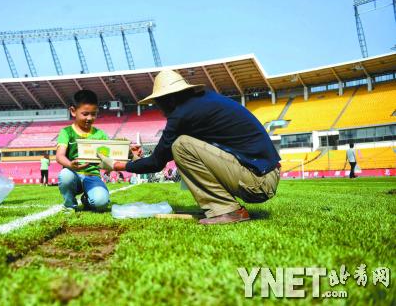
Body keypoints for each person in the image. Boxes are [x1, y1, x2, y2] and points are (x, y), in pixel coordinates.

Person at [98, 70, 281, 225]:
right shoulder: (202, 103)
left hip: (258, 182)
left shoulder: (183, 114)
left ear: (167, 100)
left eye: (157, 103)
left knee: (181, 145)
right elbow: (164, 157)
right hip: (262, 175)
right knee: (182, 146)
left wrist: (116, 165)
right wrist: (136, 160)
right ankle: (223, 206)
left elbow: (157, 163)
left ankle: (227, 210)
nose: (159, 109)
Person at [56, 90, 110, 211]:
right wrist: (70, 165)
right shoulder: (66, 132)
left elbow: (108, 158)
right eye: (85, 114)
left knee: (101, 204)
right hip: (73, 174)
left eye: (93, 114)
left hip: (92, 176)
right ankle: (69, 205)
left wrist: (127, 152)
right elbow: (59, 156)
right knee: (65, 175)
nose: (89, 118)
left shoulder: (101, 134)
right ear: (73, 111)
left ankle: (87, 199)